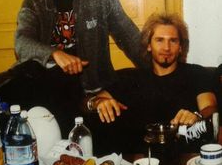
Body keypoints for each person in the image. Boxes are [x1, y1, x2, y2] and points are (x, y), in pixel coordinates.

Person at [12, 0, 144, 136]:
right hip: (52, 93)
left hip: (96, 88)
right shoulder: (34, 0)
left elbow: (129, 37)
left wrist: (159, 68)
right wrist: (54, 54)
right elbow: (22, 43)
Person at [87, 13, 218, 154]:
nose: (166, 48)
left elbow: (210, 107)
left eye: (173, 40)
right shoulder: (130, 78)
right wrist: (96, 103)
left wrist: (197, 116)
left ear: (180, 47)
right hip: (139, 163)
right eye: (159, 40)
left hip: (184, 161)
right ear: (148, 45)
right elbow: (88, 102)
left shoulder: (196, 73)